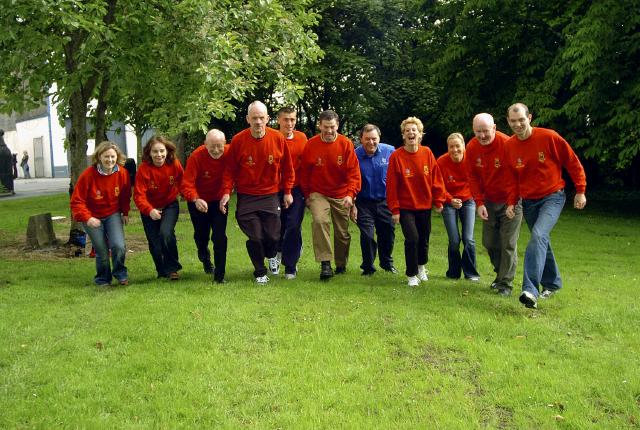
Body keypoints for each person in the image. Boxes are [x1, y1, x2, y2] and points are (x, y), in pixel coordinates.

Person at [505, 103, 587, 309]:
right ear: (508, 122)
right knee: (541, 241)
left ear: (529, 117)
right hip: (529, 202)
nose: (518, 124)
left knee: (538, 236)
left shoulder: (549, 137)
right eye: (513, 121)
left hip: (553, 197)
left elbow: (572, 162)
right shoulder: (510, 146)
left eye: (521, 119)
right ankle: (552, 283)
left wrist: (580, 190)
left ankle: (530, 290)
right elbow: (513, 178)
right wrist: (511, 202)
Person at [220, 101, 294, 284]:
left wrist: (288, 191)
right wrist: (226, 192)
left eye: (262, 118)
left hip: (270, 194)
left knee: (272, 236)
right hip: (247, 196)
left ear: (268, 119)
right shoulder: (238, 140)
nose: (258, 122)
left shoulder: (277, 138)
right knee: (255, 236)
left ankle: (271, 255)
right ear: (248, 119)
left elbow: (288, 168)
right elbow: (229, 170)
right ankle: (260, 272)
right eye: (254, 118)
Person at [299, 110, 361, 280]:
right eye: (325, 127)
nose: (328, 131)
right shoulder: (311, 145)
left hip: (341, 194)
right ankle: (325, 263)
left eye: (332, 127)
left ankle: (341, 264)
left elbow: (353, 173)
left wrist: (350, 194)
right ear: (320, 125)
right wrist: (307, 195)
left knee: (342, 233)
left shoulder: (346, 144)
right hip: (318, 192)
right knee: (320, 221)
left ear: (337, 125)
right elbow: (304, 173)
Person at [466, 113, 522, 296]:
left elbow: (518, 177)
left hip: (511, 201)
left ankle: (505, 284)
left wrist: (512, 202)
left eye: (486, 131)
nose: (482, 136)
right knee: (489, 242)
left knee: (508, 243)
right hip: (489, 201)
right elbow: (472, 177)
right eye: (478, 132)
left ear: (495, 128)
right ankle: (500, 275)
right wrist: (479, 203)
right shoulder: (472, 147)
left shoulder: (508, 144)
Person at [386, 117, 446, 287]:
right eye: (407, 131)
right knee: (412, 238)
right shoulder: (396, 156)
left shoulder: (427, 152)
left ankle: (421, 266)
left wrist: (439, 200)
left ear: (420, 134)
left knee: (424, 239)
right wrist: (395, 210)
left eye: (415, 130)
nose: (411, 133)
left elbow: (436, 179)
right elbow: (392, 185)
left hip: (424, 205)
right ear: (403, 135)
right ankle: (411, 274)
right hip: (405, 207)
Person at [70, 141, 131, 286]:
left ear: (117, 157)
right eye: (106, 157)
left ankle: (120, 273)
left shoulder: (122, 173)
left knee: (118, 245)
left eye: (112, 157)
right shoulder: (88, 175)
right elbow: (76, 201)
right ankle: (103, 279)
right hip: (92, 216)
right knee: (102, 250)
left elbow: (125, 195)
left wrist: (125, 212)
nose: (110, 160)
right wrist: (87, 218)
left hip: (112, 214)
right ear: (99, 157)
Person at [134, 135, 184, 280]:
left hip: (170, 205)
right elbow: (138, 195)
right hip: (149, 209)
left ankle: (173, 269)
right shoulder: (143, 169)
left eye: (162, 151)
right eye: (155, 151)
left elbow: (183, 182)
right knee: (155, 243)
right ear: (149, 153)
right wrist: (150, 210)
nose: (159, 155)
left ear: (167, 151)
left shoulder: (174, 164)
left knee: (166, 233)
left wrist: (191, 197)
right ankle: (161, 271)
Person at [182, 129, 229, 283]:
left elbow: (230, 177)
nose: (216, 150)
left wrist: (226, 193)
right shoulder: (196, 156)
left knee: (219, 237)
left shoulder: (230, 154)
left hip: (219, 201)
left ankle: (219, 276)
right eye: (212, 146)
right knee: (202, 235)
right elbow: (187, 184)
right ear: (205, 144)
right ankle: (204, 255)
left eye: (219, 146)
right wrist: (196, 199)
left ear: (225, 143)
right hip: (199, 200)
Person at [351, 124, 397, 276]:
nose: (371, 142)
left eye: (374, 139)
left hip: (385, 201)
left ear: (379, 138)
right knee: (367, 235)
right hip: (363, 202)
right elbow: (350, 180)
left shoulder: (390, 151)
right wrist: (353, 204)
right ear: (361, 139)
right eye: (367, 139)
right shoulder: (354, 155)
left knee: (387, 233)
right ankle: (368, 267)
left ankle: (387, 263)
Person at [437, 133, 480, 281]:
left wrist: (463, 197)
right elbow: (438, 186)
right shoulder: (441, 162)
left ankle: (471, 273)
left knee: (468, 238)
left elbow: (475, 182)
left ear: (463, 146)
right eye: (451, 147)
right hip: (449, 201)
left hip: (468, 200)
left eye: (458, 146)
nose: (455, 150)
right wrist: (450, 199)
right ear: (447, 148)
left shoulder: (472, 159)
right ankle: (453, 272)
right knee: (454, 240)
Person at [274, 106, 308, 279]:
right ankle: (278, 252)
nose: (289, 123)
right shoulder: (272, 137)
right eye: (286, 119)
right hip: (274, 190)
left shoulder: (302, 138)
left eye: (292, 119)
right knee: (277, 226)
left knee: (294, 225)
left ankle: (290, 266)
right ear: (278, 120)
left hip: (296, 189)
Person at [0, 130, 15, 195]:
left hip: (2, 150)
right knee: (8, 171)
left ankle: (4, 189)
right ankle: (10, 188)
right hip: (6, 150)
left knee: (2, 171)